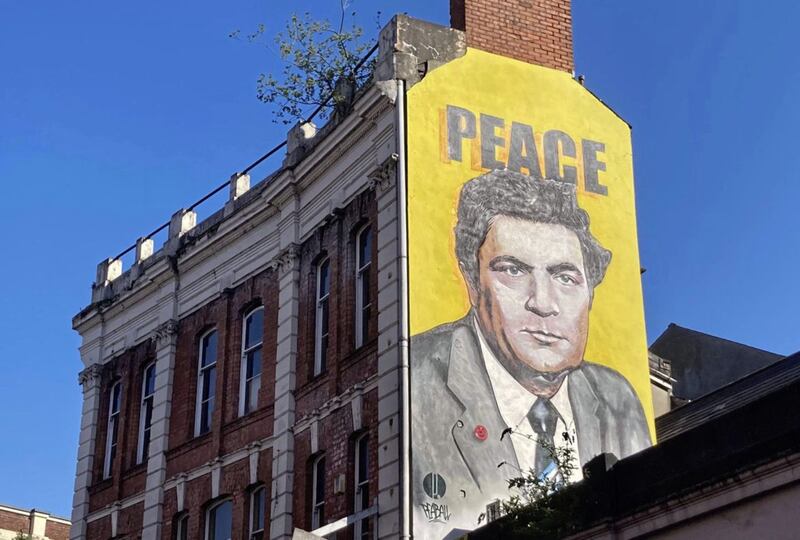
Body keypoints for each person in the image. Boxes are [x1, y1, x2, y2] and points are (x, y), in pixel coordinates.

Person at [411, 170, 651, 538]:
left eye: (565, 277)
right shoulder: (415, 381)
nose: (543, 303)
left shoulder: (618, 398)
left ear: (591, 294)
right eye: (513, 270)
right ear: (472, 282)